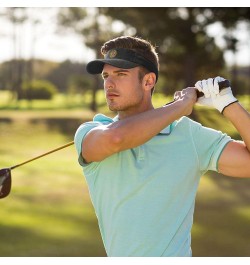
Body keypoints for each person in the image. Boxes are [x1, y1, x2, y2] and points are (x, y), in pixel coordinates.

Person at [74, 36, 250, 257]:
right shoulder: (91, 131)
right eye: (106, 76)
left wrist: (228, 105)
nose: (109, 83)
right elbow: (116, 139)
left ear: (148, 81)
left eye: (120, 74)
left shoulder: (189, 135)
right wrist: (181, 106)